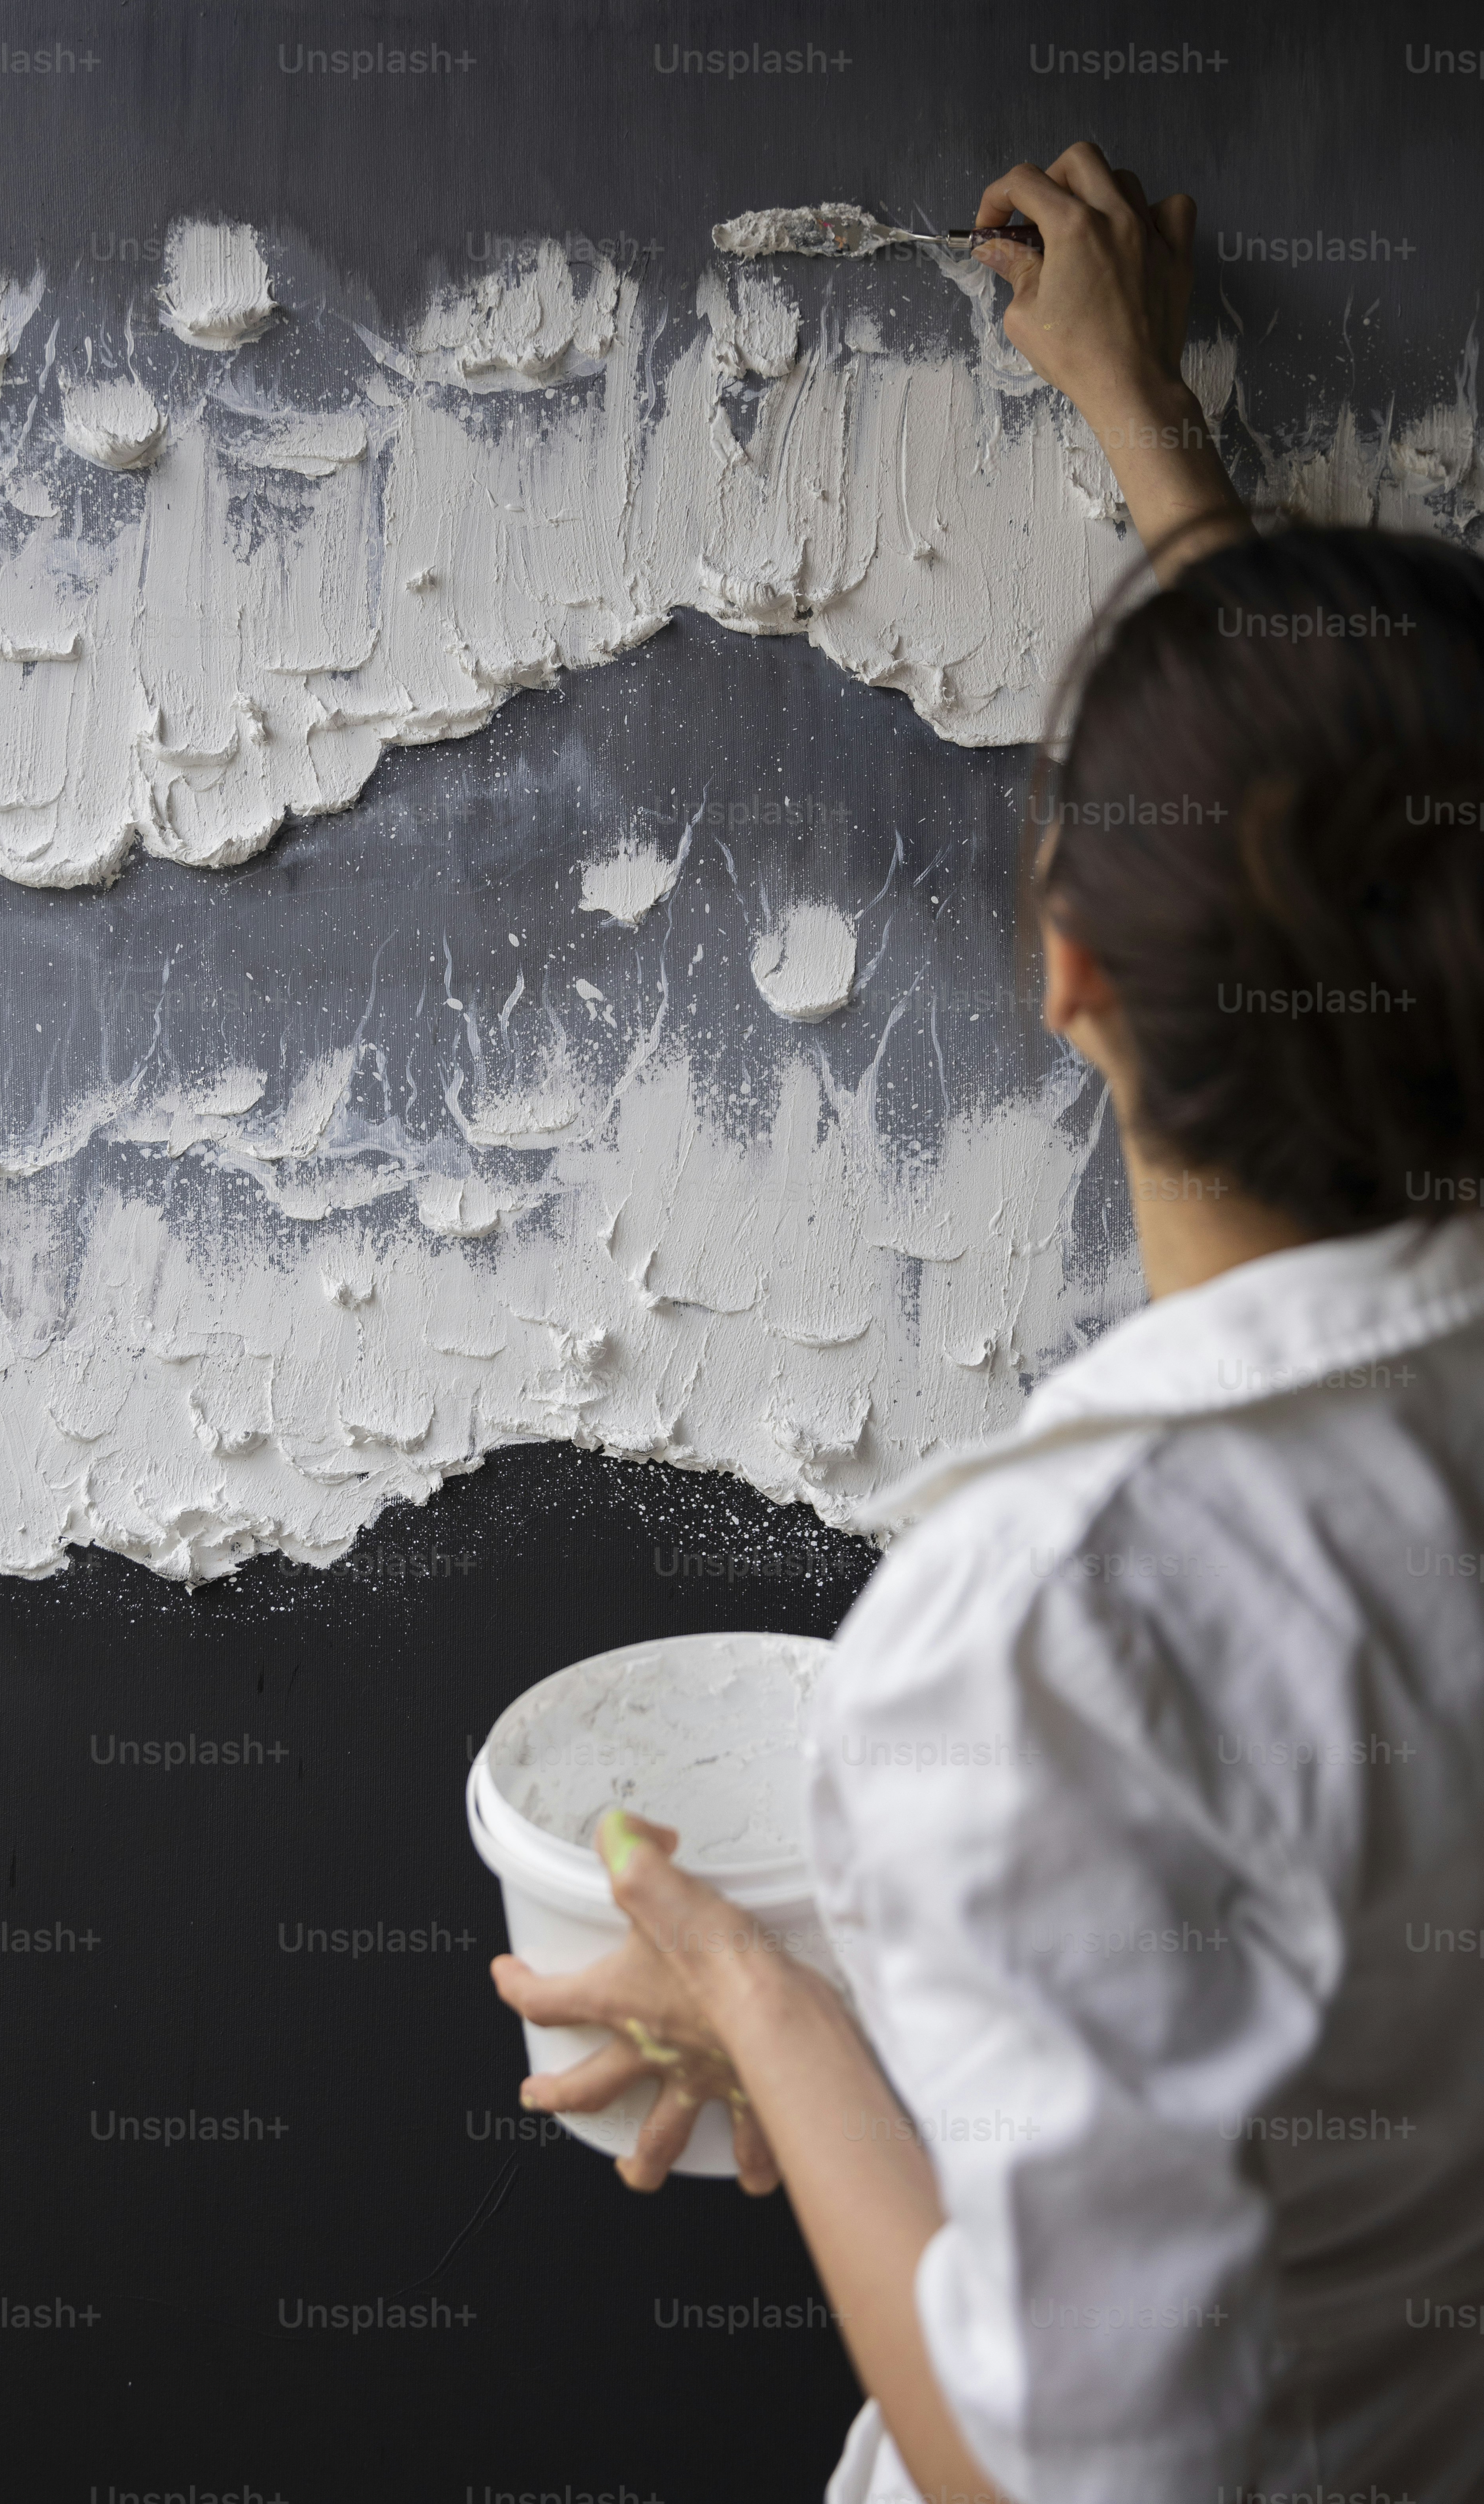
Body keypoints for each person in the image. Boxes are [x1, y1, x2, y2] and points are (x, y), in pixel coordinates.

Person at [490, 143, 1484, 2504]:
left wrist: (760, 2000)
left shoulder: (1057, 1613)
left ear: (1058, 978)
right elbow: (1362, 830)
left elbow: (1064, 2482)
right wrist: (1155, 445)